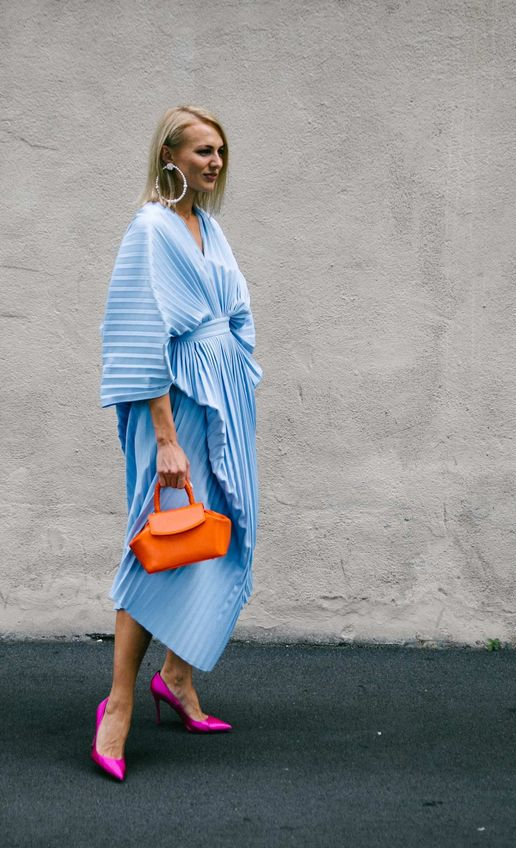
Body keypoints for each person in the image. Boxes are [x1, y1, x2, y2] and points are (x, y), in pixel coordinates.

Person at [91, 105, 263, 781]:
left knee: (223, 532)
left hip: (225, 401)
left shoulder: (208, 229)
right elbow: (139, 331)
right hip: (176, 409)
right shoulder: (150, 229)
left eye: (219, 150)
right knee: (159, 543)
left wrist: (239, 362)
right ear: (170, 156)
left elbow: (236, 308)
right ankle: (121, 703)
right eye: (201, 151)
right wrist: (166, 437)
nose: (214, 162)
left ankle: (179, 676)